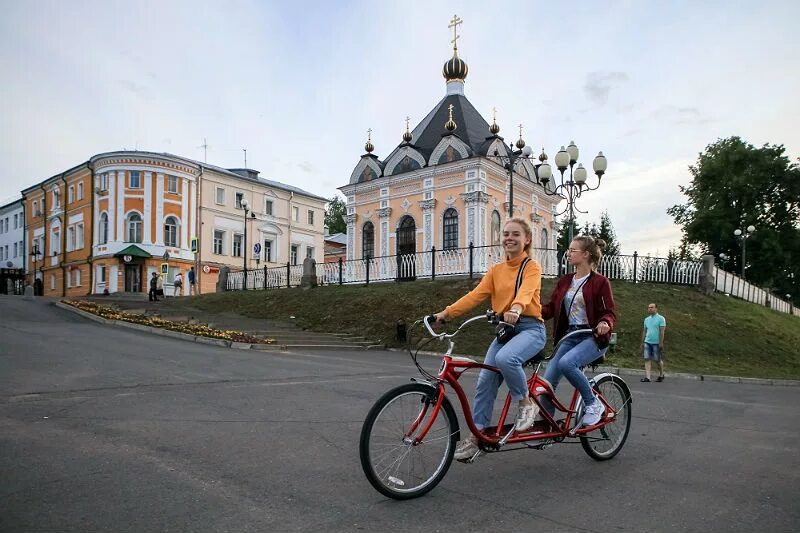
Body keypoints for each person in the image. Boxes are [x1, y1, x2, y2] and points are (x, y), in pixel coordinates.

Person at [433, 218, 546, 462]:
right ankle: (478, 435)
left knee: (506, 358)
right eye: (505, 233)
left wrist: (516, 308)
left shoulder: (531, 266)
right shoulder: (496, 271)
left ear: (527, 239)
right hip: (506, 330)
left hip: (531, 329)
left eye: (515, 234)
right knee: (485, 380)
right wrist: (446, 313)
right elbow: (474, 296)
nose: (509, 238)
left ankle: (526, 404)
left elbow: (526, 292)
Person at [538, 236, 616, 428]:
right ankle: (545, 425)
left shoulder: (600, 282)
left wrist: (605, 322)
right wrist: (530, 312)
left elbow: (609, 312)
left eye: (573, 250)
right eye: (569, 250)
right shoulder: (565, 281)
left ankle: (593, 404)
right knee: (546, 384)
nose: (569, 253)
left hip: (593, 337)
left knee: (567, 363)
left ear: (586, 254)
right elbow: (551, 308)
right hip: (570, 336)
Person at [641, 303, 666, 382]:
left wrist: (661, 342)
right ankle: (647, 377)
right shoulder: (646, 319)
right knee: (647, 359)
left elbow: (662, 332)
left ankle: (661, 374)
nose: (650, 309)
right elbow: (645, 331)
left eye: (652, 307)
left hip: (656, 342)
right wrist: (642, 342)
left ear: (656, 308)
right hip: (647, 342)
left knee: (657, 360)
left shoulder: (661, 318)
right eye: (649, 307)